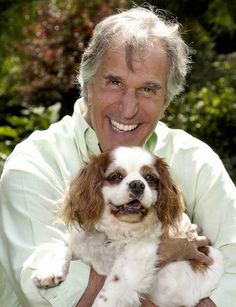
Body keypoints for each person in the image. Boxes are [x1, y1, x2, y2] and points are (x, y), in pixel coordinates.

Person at [0, 5, 235, 307]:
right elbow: (48, 295)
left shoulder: (196, 161)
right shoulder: (34, 164)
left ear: (167, 99)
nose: (128, 108)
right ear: (87, 84)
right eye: (114, 82)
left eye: (148, 89)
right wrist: (165, 252)